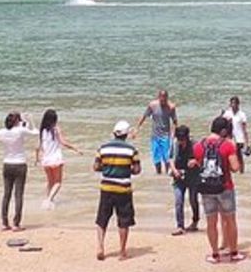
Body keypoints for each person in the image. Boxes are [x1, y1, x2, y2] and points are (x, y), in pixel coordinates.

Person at [192, 116, 244, 263]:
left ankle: (215, 254)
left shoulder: (198, 145)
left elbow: (197, 164)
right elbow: (235, 168)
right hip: (225, 187)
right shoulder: (227, 145)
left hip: (206, 189)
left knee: (211, 222)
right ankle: (234, 253)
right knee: (230, 220)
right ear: (223, 131)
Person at [93, 120, 141, 261]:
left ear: (114, 133)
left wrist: (108, 168)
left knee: (102, 218)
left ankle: (100, 247)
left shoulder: (103, 148)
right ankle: (122, 251)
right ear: (126, 135)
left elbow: (96, 167)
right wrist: (125, 169)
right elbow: (137, 170)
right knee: (123, 220)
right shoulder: (131, 150)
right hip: (123, 188)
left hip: (106, 187)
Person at [0, 112, 39, 231]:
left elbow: (13, 133)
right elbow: (36, 132)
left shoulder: (0, 133)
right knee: (18, 195)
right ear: (17, 121)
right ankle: (16, 223)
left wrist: (22, 124)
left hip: (7, 164)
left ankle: (5, 223)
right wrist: (30, 121)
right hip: (20, 164)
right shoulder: (20, 131)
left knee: (6, 195)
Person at [36, 108, 82, 209]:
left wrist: (37, 158)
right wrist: (75, 149)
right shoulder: (56, 129)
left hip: (46, 160)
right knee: (58, 182)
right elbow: (63, 143)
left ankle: (48, 200)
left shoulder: (42, 131)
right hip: (56, 158)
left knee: (50, 182)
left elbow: (38, 147)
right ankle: (49, 200)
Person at [134, 89, 178, 175]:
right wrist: (137, 128)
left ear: (167, 98)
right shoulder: (152, 105)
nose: (163, 102)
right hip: (155, 136)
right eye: (161, 100)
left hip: (166, 135)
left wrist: (175, 134)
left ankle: (166, 175)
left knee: (167, 158)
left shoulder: (171, 107)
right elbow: (144, 116)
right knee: (156, 158)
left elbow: (175, 122)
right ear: (158, 98)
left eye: (165, 100)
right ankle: (158, 174)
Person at [170, 124, 200, 235]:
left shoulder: (195, 144)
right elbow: (171, 159)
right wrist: (174, 170)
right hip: (178, 176)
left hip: (193, 176)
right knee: (178, 201)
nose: (181, 141)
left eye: (183, 139)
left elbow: (202, 159)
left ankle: (195, 221)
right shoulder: (174, 143)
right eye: (179, 139)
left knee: (193, 200)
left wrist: (195, 162)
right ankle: (180, 226)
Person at [220, 96, 250, 173]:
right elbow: (220, 123)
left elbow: (244, 129)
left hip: (239, 138)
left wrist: (247, 143)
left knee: (239, 156)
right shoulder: (227, 113)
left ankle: (242, 172)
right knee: (229, 155)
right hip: (229, 137)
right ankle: (231, 171)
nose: (233, 105)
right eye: (232, 103)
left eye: (235, 103)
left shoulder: (242, 115)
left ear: (238, 104)